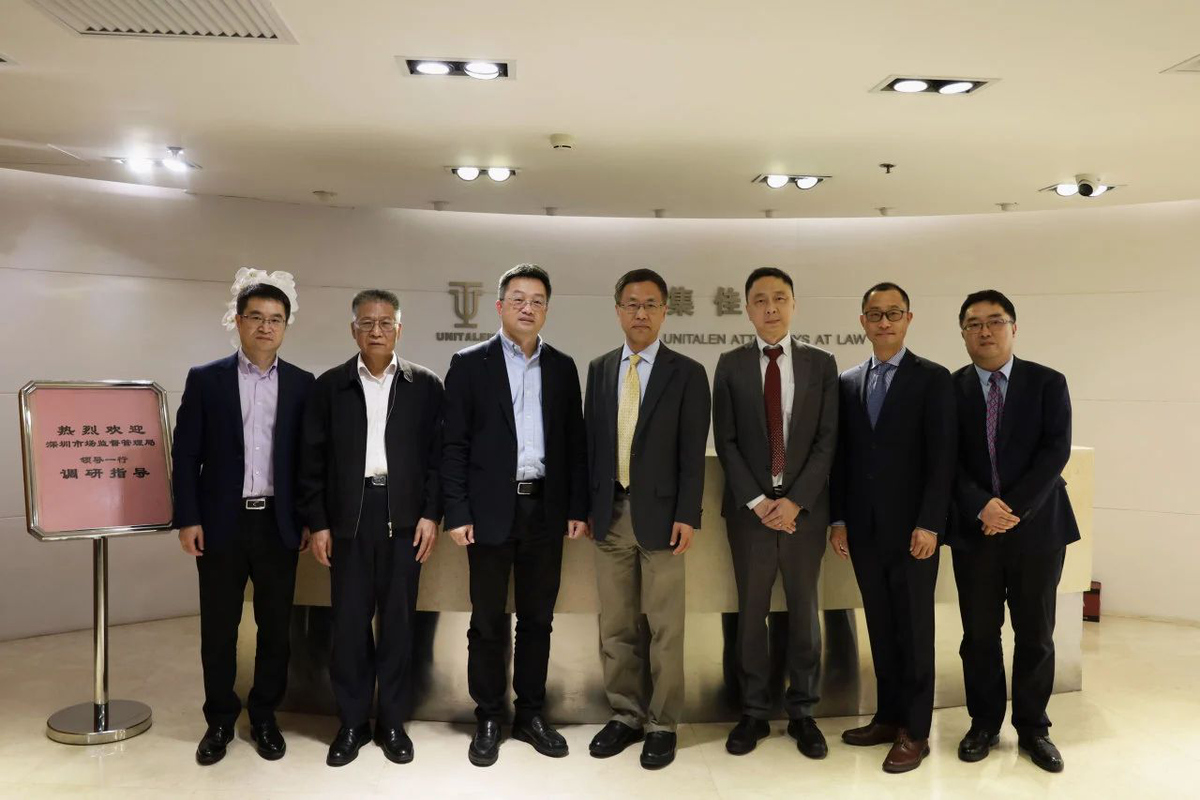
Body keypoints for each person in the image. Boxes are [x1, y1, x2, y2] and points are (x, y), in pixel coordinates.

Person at [441, 264, 589, 767]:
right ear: (500, 305)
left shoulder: (563, 367)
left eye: (538, 300)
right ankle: (487, 715)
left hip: (544, 510)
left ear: (547, 309)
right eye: (519, 299)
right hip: (487, 513)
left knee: (538, 620)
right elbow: (453, 445)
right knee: (486, 621)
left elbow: (574, 445)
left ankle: (530, 715)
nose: (528, 307)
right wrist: (457, 511)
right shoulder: (469, 364)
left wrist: (576, 507)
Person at [299, 289, 443, 767]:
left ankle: (393, 723)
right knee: (349, 624)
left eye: (385, 323)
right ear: (353, 329)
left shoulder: (425, 385)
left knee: (399, 626)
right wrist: (319, 523)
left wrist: (431, 514)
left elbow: (439, 459)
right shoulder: (330, 386)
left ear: (399, 329)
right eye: (367, 323)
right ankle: (353, 723)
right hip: (349, 519)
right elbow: (311, 462)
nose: (376, 331)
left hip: (404, 519)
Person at [173, 277, 314, 765]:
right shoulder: (206, 379)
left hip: (278, 524)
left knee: (276, 628)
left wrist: (306, 518)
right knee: (219, 628)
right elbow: (185, 454)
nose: (265, 327)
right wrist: (188, 517)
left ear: (285, 326)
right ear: (238, 321)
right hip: (221, 523)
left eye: (276, 319)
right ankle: (219, 719)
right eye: (256, 317)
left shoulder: (302, 384)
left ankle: (265, 715)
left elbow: (308, 460)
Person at [947, 289, 1080, 774]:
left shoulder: (1048, 382)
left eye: (995, 321)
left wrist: (1012, 509)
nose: (985, 331)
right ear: (963, 333)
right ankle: (983, 724)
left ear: (1014, 328)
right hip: (974, 530)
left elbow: (1055, 451)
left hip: (1039, 529)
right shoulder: (950, 388)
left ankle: (1033, 728)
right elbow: (945, 459)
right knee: (979, 635)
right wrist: (980, 505)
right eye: (974, 323)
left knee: (1036, 634)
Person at [583, 268, 710, 769]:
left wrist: (687, 514)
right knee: (616, 626)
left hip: (662, 519)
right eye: (632, 304)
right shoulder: (599, 369)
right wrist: (586, 509)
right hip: (609, 514)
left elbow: (692, 454)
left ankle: (662, 723)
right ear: (618, 310)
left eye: (651, 304)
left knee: (665, 629)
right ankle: (626, 715)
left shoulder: (687, 372)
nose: (641, 313)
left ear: (665, 311)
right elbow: (591, 444)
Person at [829, 282, 955, 773]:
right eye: (875, 314)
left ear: (908, 319)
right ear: (862, 321)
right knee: (880, 626)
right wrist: (839, 519)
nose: (884, 322)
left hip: (914, 533)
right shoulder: (847, 381)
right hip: (864, 531)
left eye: (894, 313)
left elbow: (942, 459)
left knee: (915, 630)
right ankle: (887, 717)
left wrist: (930, 524)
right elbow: (842, 459)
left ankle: (915, 731)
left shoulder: (933, 379)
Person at [711, 266, 838, 759]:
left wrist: (796, 500)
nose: (770, 307)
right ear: (747, 309)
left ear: (793, 304)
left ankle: (804, 712)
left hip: (805, 512)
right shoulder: (729, 365)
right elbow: (726, 440)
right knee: (752, 613)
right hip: (751, 514)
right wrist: (760, 501)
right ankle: (754, 712)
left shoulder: (821, 363)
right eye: (760, 300)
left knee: (805, 613)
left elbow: (827, 440)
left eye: (780, 298)